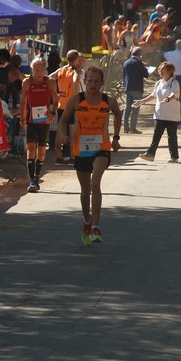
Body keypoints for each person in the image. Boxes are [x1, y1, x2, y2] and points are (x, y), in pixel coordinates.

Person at [58, 66, 122, 244]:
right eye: (90, 81)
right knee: (85, 191)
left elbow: (118, 114)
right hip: (81, 149)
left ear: (102, 83)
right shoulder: (75, 100)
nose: (93, 84)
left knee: (95, 183)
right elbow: (63, 121)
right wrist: (64, 136)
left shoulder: (108, 101)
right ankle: (86, 220)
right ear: (84, 82)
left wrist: (116, 137)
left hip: (102, 147)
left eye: (96, 81)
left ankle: (96, 226)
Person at [20, 57, 58, 192]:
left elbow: (55, 99)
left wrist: (52, 113)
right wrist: (22, 118)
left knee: (41, 150)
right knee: (30, 149)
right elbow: (23, 101)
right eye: (36, 70)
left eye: (41, 70)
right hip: (30, 120)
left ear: (45, 69)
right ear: (32, 69)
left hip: (44, 120)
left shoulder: (50, 82)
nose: (39, 73)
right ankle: (31, 180)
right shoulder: (26, 82)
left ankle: (37, 177)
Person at [132, 61, 181, 163]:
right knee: (156, 135)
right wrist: (142, 101)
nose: (161, 71)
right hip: (159, 114)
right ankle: (150, 154)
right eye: (160, 69)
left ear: (170, 71)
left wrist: (168, 99)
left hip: (171, 115)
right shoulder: (159, 83)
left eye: (164, 69)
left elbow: (174, 94)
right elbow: (153, 95)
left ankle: (174, 157)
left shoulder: (174, 83)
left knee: (171, 136)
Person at [49, 49, 82, 165]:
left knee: (60, 130)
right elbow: (76, 80)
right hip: (72, 106)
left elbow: (50, 77)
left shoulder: (61, 70)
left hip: (61, 105)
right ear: (76, 59)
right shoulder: (75, 71)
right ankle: (73, 158)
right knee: (73, 131)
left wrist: (55, 92)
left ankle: (59, 157)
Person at [123, 46, 149, 134]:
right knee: (135, 108)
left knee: (127, 108)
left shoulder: (126, 62)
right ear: (140, 54)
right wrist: (145, 67)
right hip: (137, 88)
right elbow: (145, 74)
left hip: (128, 87)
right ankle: (133, 128)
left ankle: (125, 127)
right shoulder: (138, 63)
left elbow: (124, 75)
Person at [164, 39, 181, 120]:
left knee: (170, 94)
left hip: (170, 77)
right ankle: (178, 116)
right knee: (180, 96)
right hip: (180, 77)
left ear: (175, 45)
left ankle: (169, 115)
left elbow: (162, 55)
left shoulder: (168, 54)